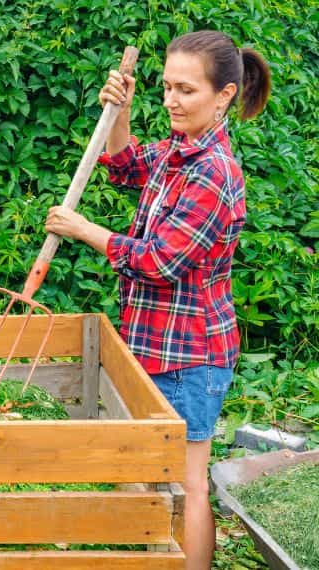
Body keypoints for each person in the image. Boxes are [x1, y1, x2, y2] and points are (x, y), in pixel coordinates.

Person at [44, 31, 271, 569]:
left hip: (192, 356)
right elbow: (122, 164)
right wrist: (118, 112)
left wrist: (85, 230)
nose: (171, 100)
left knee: (189, 483)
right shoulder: (176, 151)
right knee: (147, 472)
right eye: (167, 87)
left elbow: (159, 262)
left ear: (224, 97)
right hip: (151, 342)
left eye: (186, 90)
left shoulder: (214, 172)